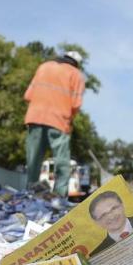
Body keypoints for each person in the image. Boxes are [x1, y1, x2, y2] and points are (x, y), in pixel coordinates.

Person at [23, 50, 86, 196]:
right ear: (77, 64)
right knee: (62, 161)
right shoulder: (76, 75)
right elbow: (76, 104)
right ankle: (59, 195)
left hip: (35, 117)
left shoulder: (44, 67)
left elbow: (28, 95)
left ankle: (30, 192)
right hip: (59, 120)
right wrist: (70, 121)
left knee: (33, 159)